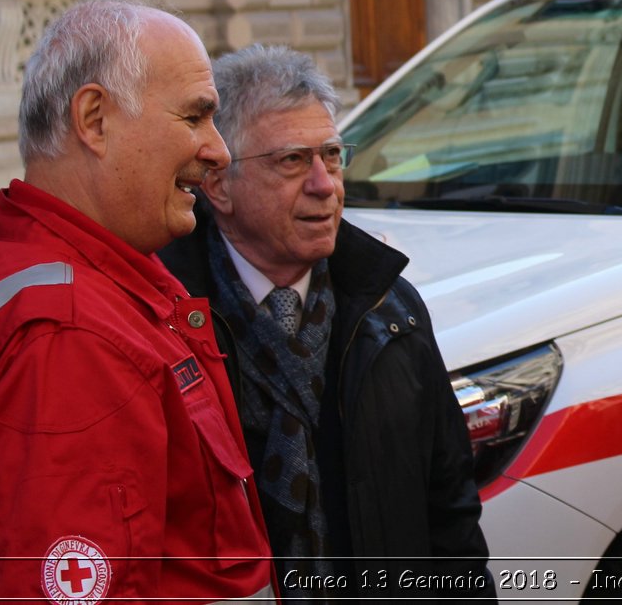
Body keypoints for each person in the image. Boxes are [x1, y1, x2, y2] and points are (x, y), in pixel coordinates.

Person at [159, 44, 492, 598]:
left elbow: (451, 519)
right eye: (292, 161)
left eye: (333, 156)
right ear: (218, 185)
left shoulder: (393, 312)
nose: (324, 185)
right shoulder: (164, 322)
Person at [0, 0, 275, 602]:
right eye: (195, 117)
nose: (218, 150)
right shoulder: (73, 339)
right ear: (94, 120)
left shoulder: (86, 277)